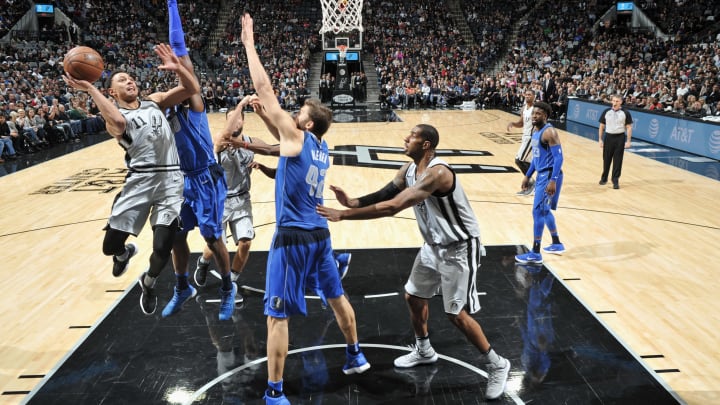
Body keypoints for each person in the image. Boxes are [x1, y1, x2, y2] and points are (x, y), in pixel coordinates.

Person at [316, 123, 511, 401]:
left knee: (456, 315)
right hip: (432, 247)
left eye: (413, 136)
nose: (405, 138)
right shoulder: (408, 170)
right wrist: (353, 202)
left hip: (459, 248)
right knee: (413, 297)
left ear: (427, 144)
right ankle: (424, 350)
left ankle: (497, 364)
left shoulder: (439, 174)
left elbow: (394, 207)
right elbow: (386, 194)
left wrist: (343, 215)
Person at [240, 13, 369, 405]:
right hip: (319, 236)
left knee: (276, 316)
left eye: (299, 115)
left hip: (294, 237)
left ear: (307, 126)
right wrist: (254, 135)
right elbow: (278, 148)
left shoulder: (299, 135)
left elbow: (264, 87)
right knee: (337, 298)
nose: (294, 115)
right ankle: (355, 355)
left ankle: (275, 392)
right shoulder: (320, 148)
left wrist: (249, 43)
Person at [63, 43, 198, 315]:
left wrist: (179, 69)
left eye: (131, 78)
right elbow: (120, 123)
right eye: (122, 80)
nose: (130, 81)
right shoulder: (114, 118)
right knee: (109, 247)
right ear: (112, 92)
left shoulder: (155, 101)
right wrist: (90, 88)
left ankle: (148, 283)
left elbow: (190, 89)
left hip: (171, 181)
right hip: (140, 182)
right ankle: (123, 253)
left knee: (163, 246)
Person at [159, 0, 238, 320]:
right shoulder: (161, 115)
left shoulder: (194, 106)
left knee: (211, 236)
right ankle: (181, 286)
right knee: (177, 234)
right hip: (182, 180)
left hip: (206, 177)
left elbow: (180, 51)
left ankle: (228, 288)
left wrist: (172, 5)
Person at [515, 102, 566, 264]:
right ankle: (556, 243)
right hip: (543, 174)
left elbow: (559, 158)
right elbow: (536, 159)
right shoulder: (535, 132)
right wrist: (527, 175)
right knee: (544, 211)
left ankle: (535, 253)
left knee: (538, 212)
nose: (534, 116)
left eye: (538, 114)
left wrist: (553, 181)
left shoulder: (549, 132)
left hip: (550, 175)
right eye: (533, 113)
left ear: (545, 115)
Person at [598, 94, 632, 189]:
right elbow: (601, 126)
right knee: (606, 159)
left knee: (618, 160)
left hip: (620, 138)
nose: (615, 103)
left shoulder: (626, 113)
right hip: (608, 137)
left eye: (617, 101)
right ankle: (604, 178)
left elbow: (629, 127)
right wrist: (600, 139)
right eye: (613, 101)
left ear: (621, 102)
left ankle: (615, 180)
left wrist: (628, 141)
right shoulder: (606, 111)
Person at [507, 88, 537, 195]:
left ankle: (531, 183)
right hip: (525, 137)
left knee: (519, 160)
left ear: (534, 97)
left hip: (532, 137)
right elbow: (521, 123)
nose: (527, 96)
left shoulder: (536, 109)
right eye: (526, 94)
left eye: (529, 95)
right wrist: (513, 124)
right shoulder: (524, 108)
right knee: (526, 162)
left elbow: (541, 123)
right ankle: (534, 184)